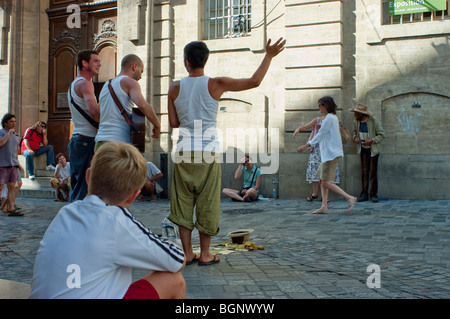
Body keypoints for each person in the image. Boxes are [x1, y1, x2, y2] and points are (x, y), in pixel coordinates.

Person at [168, 38, 286, 266]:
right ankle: (205, 254)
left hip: (183, 152)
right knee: (208, 201)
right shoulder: (216, 83)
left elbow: (173, 122)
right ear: (205, 60)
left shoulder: (174, 87)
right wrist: (269, 55)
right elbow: (254, 81)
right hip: (208, 152)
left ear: (186, 62)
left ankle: (187, 254)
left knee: (183, 202)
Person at [30, 142, 186, 299]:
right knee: (173, 280)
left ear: (88, 176)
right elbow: (176, 260)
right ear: (134, 195)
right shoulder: (115, 220)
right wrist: (172, 244)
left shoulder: (65, 213)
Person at [298, 96, 357, 214]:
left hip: (331, 154)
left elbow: (320, 135)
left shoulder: (329, 118)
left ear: (326, 106)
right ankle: (324, 206)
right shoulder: (332, 118)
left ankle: (349, 197)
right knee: (321, 179)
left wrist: (306, 145)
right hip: (328, 155)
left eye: (320, 105)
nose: (318, 107)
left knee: (325, 182)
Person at [95, 54, 161, 151]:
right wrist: (157, 125)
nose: (141, 76)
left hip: (100, 142)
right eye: (141, 71)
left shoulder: (106, 85)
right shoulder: (130, 82)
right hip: (118, 143)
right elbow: (143, 105)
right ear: (134, 66)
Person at [68, 50, 101, 202]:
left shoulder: (74, 84)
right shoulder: (85, 84)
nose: (99, 64)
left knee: (78, 185)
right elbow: (94, 111)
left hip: (78, 140)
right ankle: (76, 222)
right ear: (84, 63)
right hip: (86, 140)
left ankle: (72, 220)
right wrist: (108, 106)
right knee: (84, 187)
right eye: (95, 61)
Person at [293, 116, 340, 201]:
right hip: (316, 149)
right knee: (314, 170)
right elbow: (306, 126)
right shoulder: (317, 120)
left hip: (327, 149)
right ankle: (315, 194)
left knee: (326, 172)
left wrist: (324, 128)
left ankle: (325, 197)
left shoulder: (332, 119)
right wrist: (298, 129)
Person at [350, 103, 385, 203]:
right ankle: (364, 193)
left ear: (361, 114)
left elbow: (382, 134)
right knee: (364, 172)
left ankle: (373, 194)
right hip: (363, 148)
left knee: (373, 172)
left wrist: (372, 140)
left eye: (356, 113)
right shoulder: (356, 122)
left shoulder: (373, 120)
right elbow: (354, 133)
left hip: (373, 150)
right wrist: (355, 138)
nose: (354, 115)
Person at [0, 113, 24, 216]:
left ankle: (11, 208)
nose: (14, 123)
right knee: (0, 187)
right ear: (5, 123)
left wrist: (18, 164)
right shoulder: (1, 132)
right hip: (2, 164)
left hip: (13, 165)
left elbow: (15, 151)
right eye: (11, 121)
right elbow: (0, 143)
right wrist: (8, 134)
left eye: (14, 121)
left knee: (12, 187)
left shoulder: (16, 135)